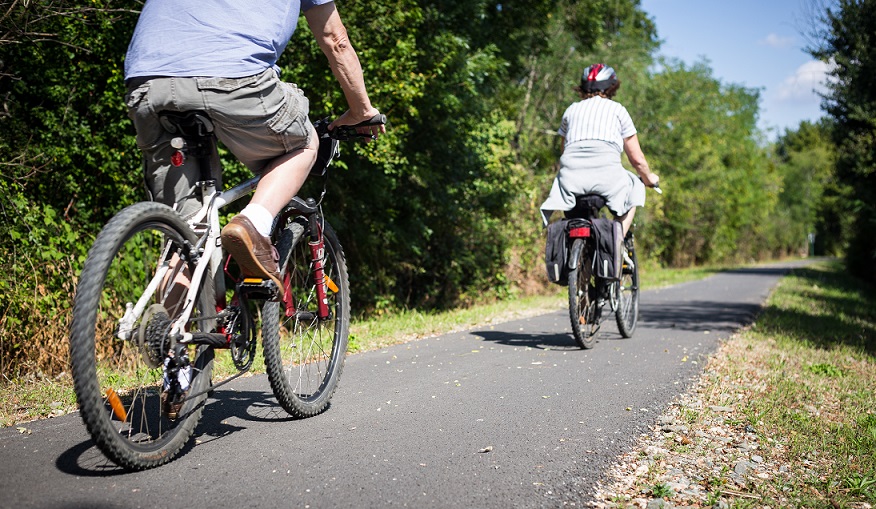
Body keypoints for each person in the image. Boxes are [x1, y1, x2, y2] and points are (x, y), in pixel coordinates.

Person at [123, 0, 384, 298]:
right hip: (232, 77)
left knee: (187, 237)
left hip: (146, 84)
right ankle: (253, 224)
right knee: (304, 141)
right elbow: (335, 40)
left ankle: (166, 337)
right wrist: (361, 111)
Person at [540, 63, 658, 236]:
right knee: (635, 187)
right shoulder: (618, 110)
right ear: (611, 87)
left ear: (582, 87)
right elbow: (637, 160)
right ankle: (617, 239)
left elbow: (564, 152)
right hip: (608, 180)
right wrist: (649, 179)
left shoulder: (570, 111)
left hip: (572, 180)